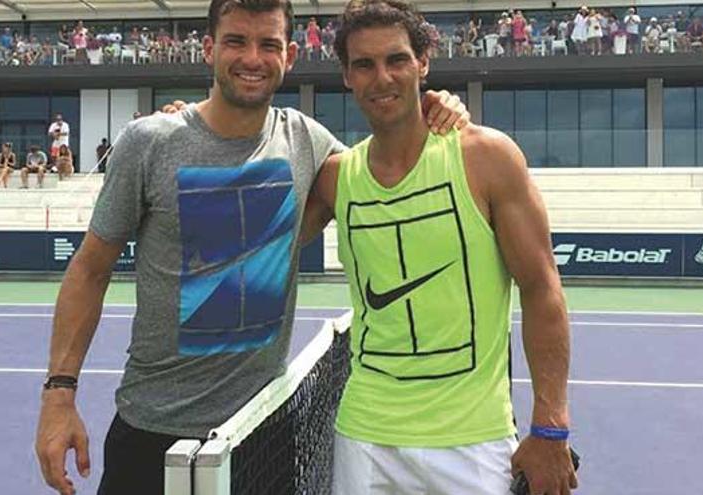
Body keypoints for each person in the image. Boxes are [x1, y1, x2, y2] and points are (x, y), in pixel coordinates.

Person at [33, 1, 468, 494]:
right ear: (208, 49)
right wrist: (59, 396)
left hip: (261, 431)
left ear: (289, 57)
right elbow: (90, 270)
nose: (252, 58)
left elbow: (388, 166)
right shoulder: (149, 141)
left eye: (269, 44)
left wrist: (436, 108)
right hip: (152, 432)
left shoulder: (308, 141)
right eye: (236, 41)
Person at [300, 1, 577, 493]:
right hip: (365, 436)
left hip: (473, 441)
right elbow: (257, 242)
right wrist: (186, 117)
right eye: (364, 65)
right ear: (346, 75)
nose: (382, 77)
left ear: (423, 62)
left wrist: (550, 426)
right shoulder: (336, 178)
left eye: (397, 60)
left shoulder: (486, 157)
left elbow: (541, 289)